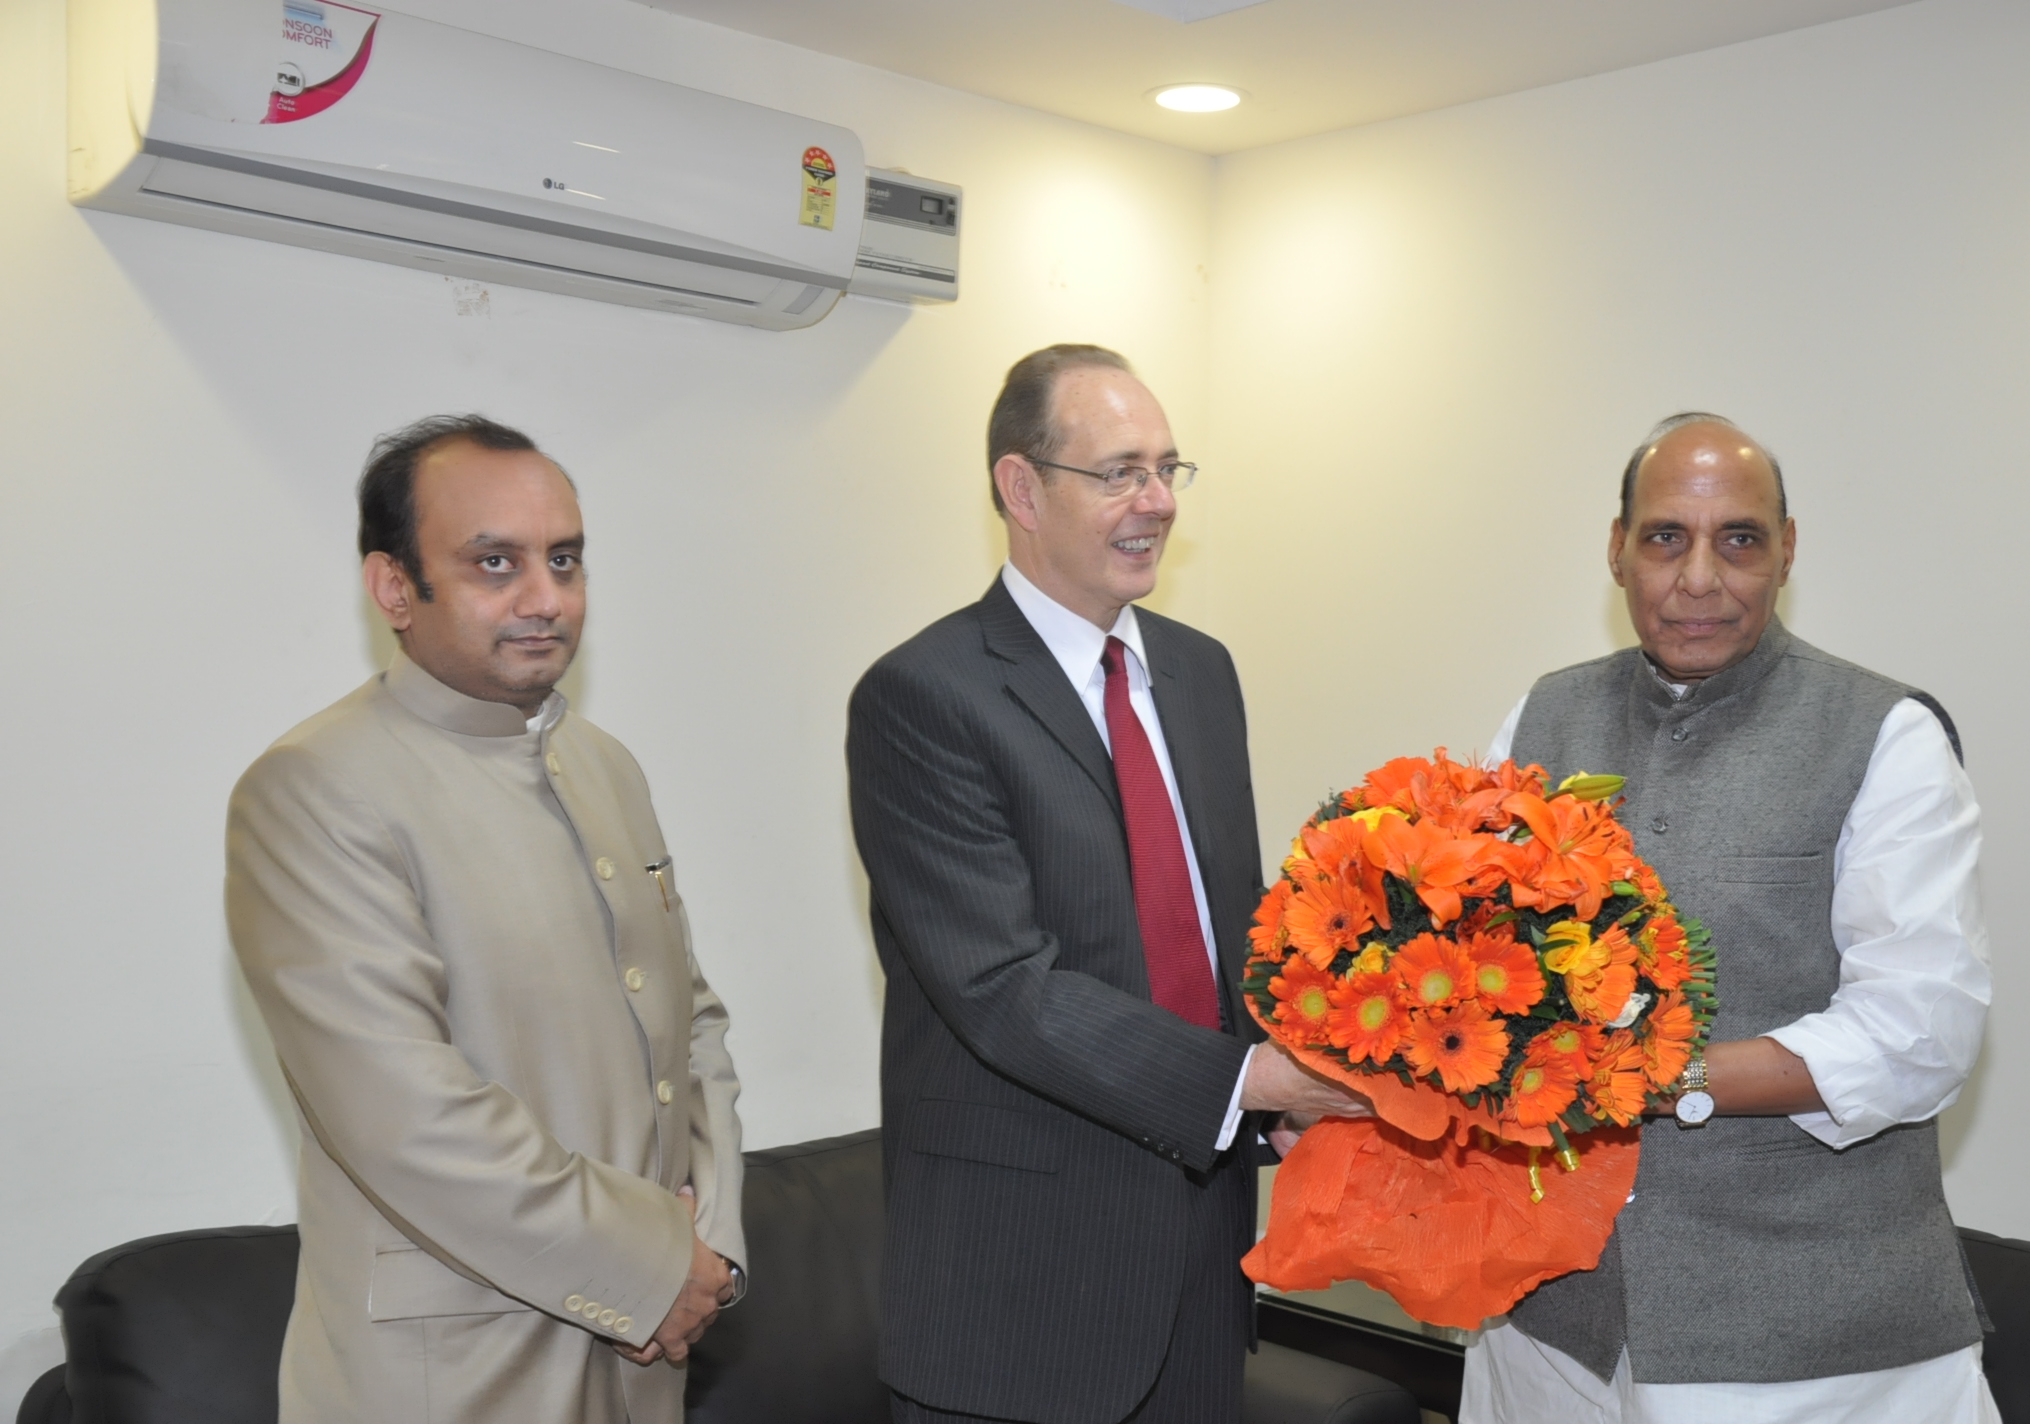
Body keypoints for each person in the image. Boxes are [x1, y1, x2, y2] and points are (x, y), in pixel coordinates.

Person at [846, 345, 1369, 1424]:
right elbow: (1002, 987)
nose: (1157, 502)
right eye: (1120, 471)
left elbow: (1229, 932)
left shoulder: (1197, 670)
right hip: (1015, 1292)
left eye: (1169, 468)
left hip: (1201, 1266)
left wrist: (1302, 1070)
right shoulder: (924, 696)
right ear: (1020, 488)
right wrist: (1251, 1081)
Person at [1460, 413, 1997, 1423]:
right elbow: (1479, 958)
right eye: (1664, 536)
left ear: (1785, 550)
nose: (1697, 575)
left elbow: (1918, 1034)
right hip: (1549, 1324)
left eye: (1737, 539)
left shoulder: (1884, 734)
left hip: (1810, 1347)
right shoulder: (1539, 716)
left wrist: (1651, 1079)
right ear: (1614, 548)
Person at [226, 416, 746, 1424]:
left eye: (564, 559)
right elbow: (409, 1115)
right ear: (393, 588)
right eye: (494, 562)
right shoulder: (313, 788)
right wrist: (654, 1263)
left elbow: (693, 1025)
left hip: (648, 1357)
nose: (545, 597)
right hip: (454, 1375)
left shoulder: (605, 767)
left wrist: (711, 1248)